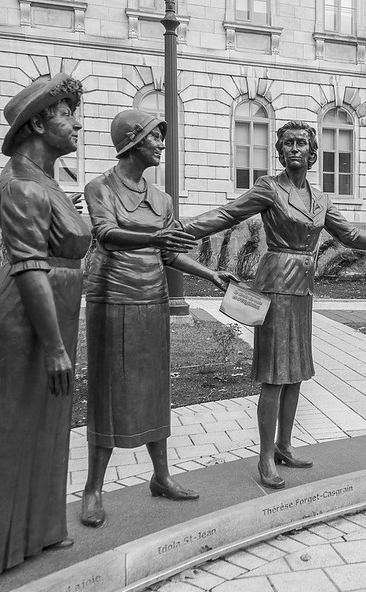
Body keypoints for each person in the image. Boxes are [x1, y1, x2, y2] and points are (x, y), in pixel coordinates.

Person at [184, 121, 366, 489]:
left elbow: (349, 234)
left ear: (312, 155)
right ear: (280, 152)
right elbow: (227, 214)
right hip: (276, 287)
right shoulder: (269, 188)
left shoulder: (320, 200)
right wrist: (183, 231)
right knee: (274, 375)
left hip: (303, 291)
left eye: (302, 144)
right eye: (288, 143)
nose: (295, 149)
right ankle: (264, 458)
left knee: (295, 372)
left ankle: (284, 446)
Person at [0, 73, 90, 576]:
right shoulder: (22, 184)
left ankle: (38, 529)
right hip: (28, 318)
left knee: (47, 420)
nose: (77, 124)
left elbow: (53, 242)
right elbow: (30, 265)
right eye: (66, 114)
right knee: (9, 423)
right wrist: (55, 346)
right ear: (37, 121)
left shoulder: (44, 181)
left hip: (52, 310)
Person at [80, 110, 237, 527]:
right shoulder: (100, 187)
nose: (161, 145)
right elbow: (104, 234)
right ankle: (92, 490)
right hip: (112, 299)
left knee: (154, 387)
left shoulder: (162, 198)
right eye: (155, 138)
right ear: (132, 142)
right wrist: (153, 236)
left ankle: (162, 476)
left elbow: (169, 251)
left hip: (152, 299)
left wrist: (210, 274)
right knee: (109, 390)